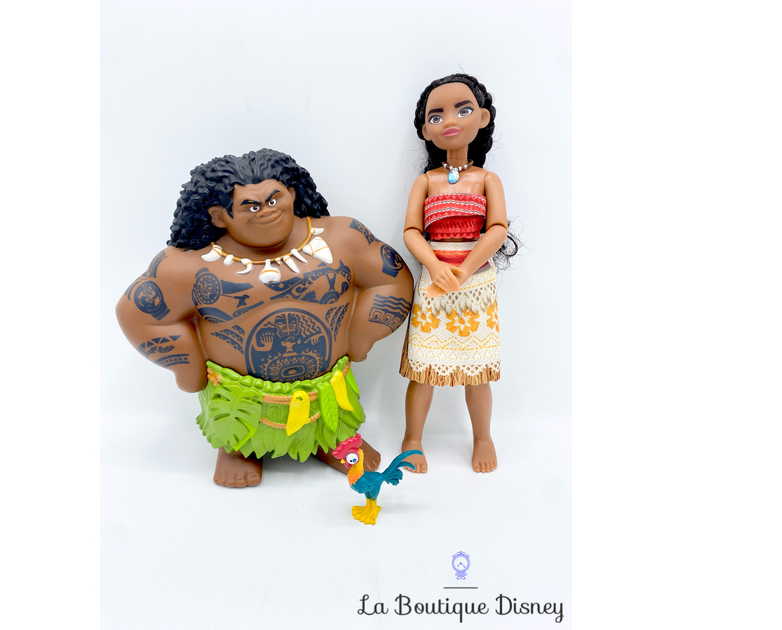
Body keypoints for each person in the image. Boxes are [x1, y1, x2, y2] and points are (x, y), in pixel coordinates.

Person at [117, 148, 415, 488]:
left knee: (333, 420)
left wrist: (359, 338)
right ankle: (239, 451)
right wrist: (189, 370)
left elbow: (392, 279)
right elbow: (137, 315)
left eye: (274, 199)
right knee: (240, 430)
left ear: (293, 192)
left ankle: (333, 440)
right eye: (252, 206)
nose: (268, 211)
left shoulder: (343, 237)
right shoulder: (188, 265)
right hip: (239, 399)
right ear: (219, 216)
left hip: (328, 387)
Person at [399, 74, 519, 473]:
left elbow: (497, 229)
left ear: (482, 118)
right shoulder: (425, 181)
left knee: (477, 370)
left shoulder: (486, 180)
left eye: (463, 110)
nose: (449, 120)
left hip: (476, 283)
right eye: (436, 116)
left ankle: (483, 437)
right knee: (423, 369)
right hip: (433, 284)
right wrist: (435, 266)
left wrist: (465, 269)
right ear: (425, 130)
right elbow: (412, 231)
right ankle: (412, 439)